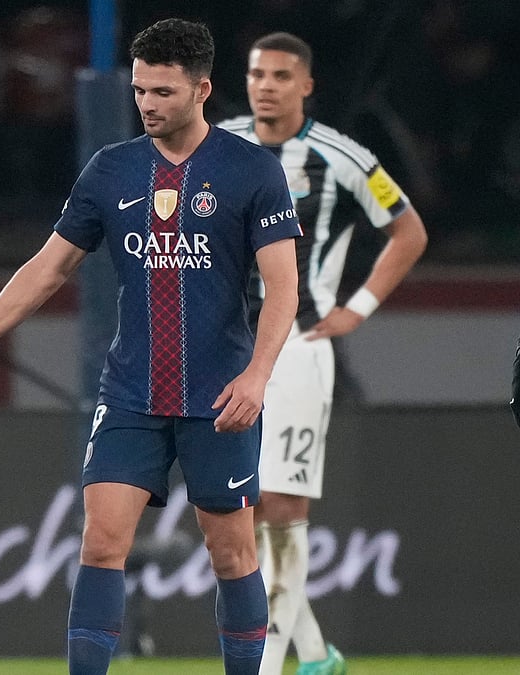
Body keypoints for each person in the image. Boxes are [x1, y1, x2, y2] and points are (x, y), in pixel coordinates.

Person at [0, 18, 300, 675]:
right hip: (130, 393)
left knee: (231, 553)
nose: (147, 104)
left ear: (203, 89)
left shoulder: (250, 171)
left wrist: (258, 376)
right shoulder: (110, 170)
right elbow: (47, 268)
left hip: (221, 395)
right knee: (100, 541)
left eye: (164, 92)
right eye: (141, 90)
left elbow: (283, 287)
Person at [217, 32, 427, 675]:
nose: (266, 85)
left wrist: (355, 310)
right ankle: (315, 655)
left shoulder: (341, 157)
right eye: (257, 74)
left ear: (306, 85)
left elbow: (408, 230)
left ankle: (269, 662)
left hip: (300, 349)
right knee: (234, 519)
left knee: (281, 508)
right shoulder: (216, 143)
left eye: (281, 75)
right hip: (225, 350)